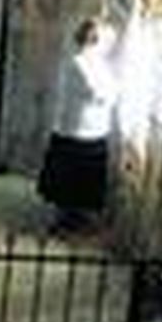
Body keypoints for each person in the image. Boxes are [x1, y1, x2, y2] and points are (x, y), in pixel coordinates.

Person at [38, 18, 119, 231]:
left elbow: (112, 93)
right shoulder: (77, 63)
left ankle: (79, 218)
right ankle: (63, 219)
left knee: (86, 182)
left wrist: (110, 93)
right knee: (66, 183)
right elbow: (99, 93)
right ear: (94, 40)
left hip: (95, 131)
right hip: (74, 132)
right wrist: (109, 93)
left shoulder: (100, 65)